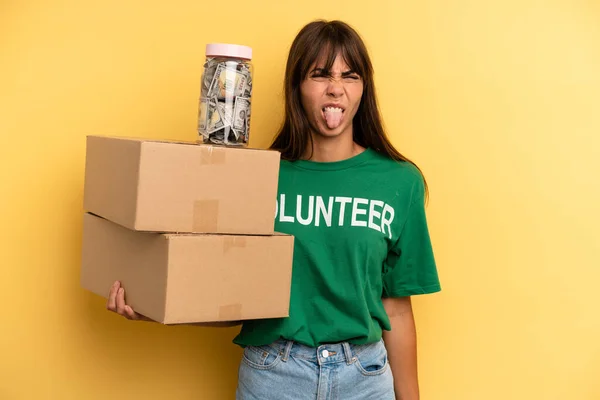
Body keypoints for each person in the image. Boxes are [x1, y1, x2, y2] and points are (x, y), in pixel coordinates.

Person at [106, 19, 441, 400]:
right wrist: (153, 303)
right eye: (319, 74)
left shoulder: (399, 182)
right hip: (274, 375)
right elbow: (230, 297)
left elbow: (395, 310)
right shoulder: (255, 178)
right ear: (297, 87)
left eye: (350, 76)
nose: (335, 88)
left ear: (364, 89)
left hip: (364, 378)